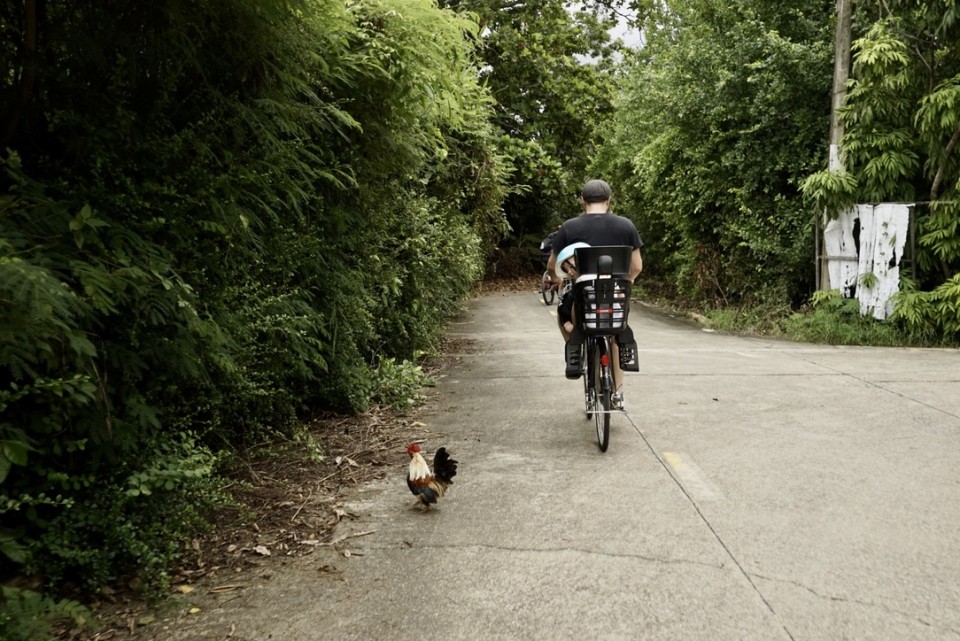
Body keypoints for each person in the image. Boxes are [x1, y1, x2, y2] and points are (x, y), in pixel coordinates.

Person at [546, 179, 643, 406]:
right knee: (616, 331)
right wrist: (624, 285)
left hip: (584, 296)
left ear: (583, 201)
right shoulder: (626, 225)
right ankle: (618, 393)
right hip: (616, 297)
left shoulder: (569, 227)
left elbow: (552, 265)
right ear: (609, 201)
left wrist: (555, 279)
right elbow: (637, 267)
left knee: (563, 315)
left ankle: (576, 349)